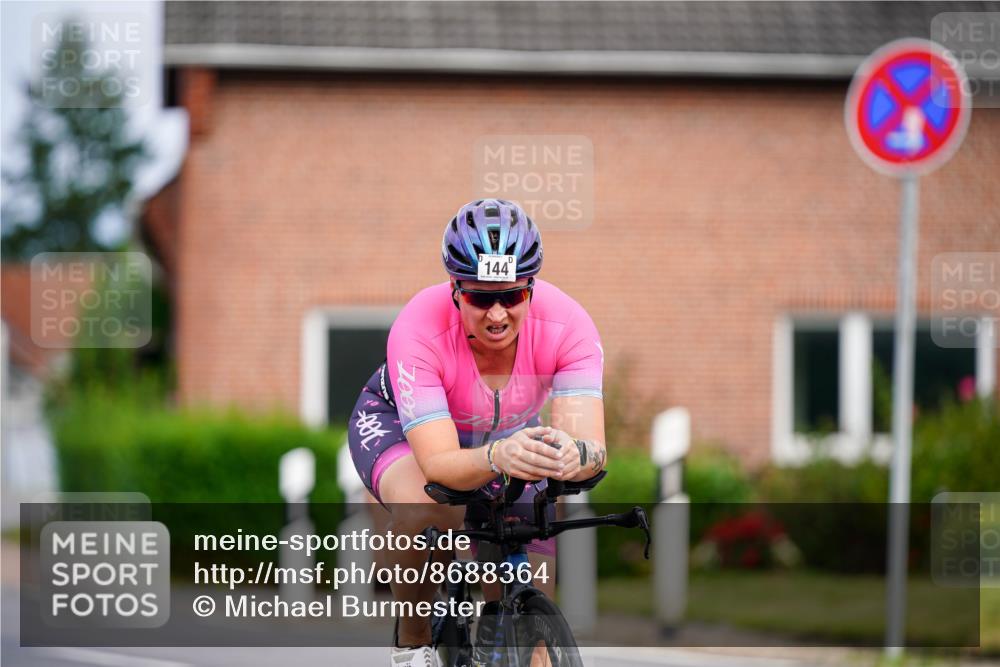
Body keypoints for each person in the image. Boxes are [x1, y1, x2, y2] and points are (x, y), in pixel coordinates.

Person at [347, 198, 607, 667]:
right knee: (428, 510)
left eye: (511, 296)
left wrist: (573, 453)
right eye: (480, 297)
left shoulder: (568, 326)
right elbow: (439, 465)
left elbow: (592, 448)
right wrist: (496, 458)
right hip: (401, 428)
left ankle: (501, 634)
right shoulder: (418, 328)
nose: (497, 314)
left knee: (528, 546)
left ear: (531, 288)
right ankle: (413, 643)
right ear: (454, 289)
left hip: (507, 435)